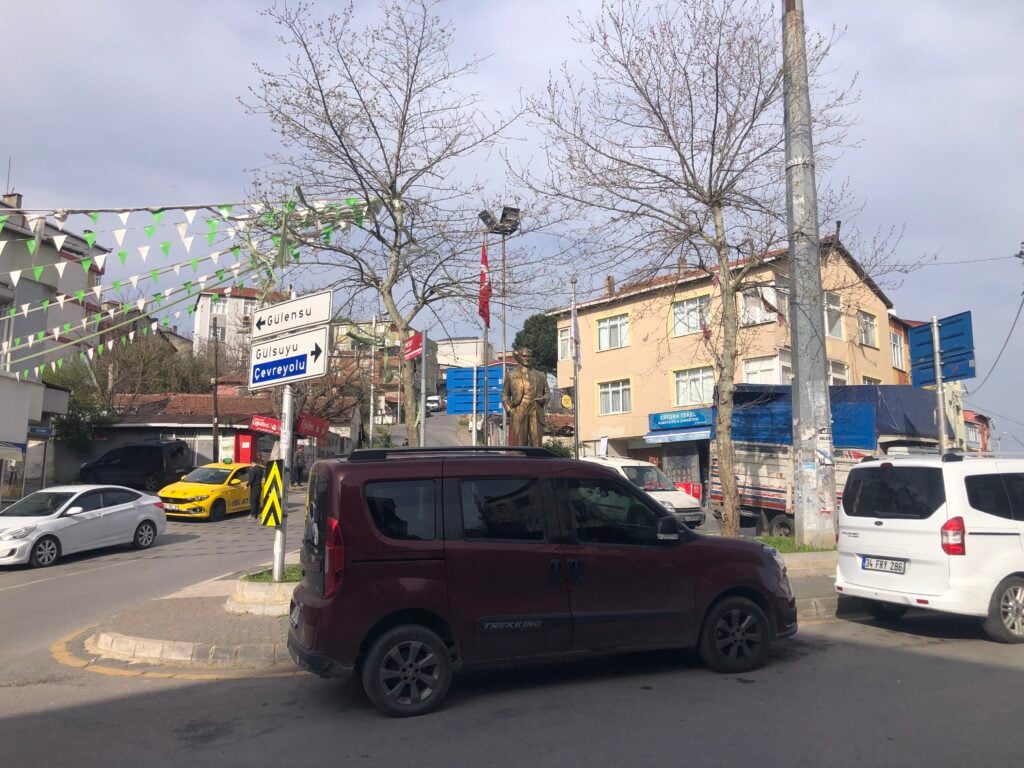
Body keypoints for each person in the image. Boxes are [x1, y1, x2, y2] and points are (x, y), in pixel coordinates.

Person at [501, 347, 551, 447]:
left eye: (529, 356)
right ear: (519, 357)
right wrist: (509, 410)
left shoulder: (540, 375)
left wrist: (544, 399)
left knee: (536, 446)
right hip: (519, 410)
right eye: (524, 356)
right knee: (520, 445)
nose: (527, 358)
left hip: (536, 410)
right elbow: (504, 394)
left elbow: (548, 393)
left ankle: (536, 462)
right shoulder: (511, 375)